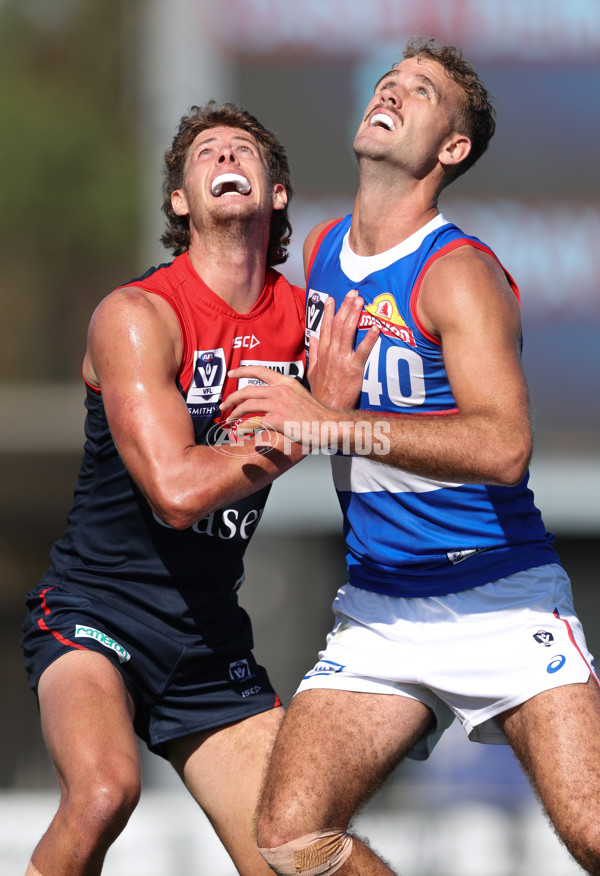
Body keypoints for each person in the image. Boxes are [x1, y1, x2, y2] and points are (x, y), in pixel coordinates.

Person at [222, 37, 600, 876]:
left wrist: (333, 424)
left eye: (420, 92)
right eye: (388, 82)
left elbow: (504, 446)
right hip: (383, 610)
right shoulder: (323, 251)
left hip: (501, 597)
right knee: (289, 839)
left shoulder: (457, 273)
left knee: (594, 834)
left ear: (451, 148)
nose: (390, 92)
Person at [20, 101, 308, 876]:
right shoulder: (139, 314)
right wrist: (301, 434)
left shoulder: (308, 325)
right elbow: (176, 492)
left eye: (242, 149)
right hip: (96, 611)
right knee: (105, 793)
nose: (224, 156)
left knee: (298, 850)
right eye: (204, 152)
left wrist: (347, 416)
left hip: (209, 635)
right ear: (181, 201)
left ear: (275, 191)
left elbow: (385, 419)